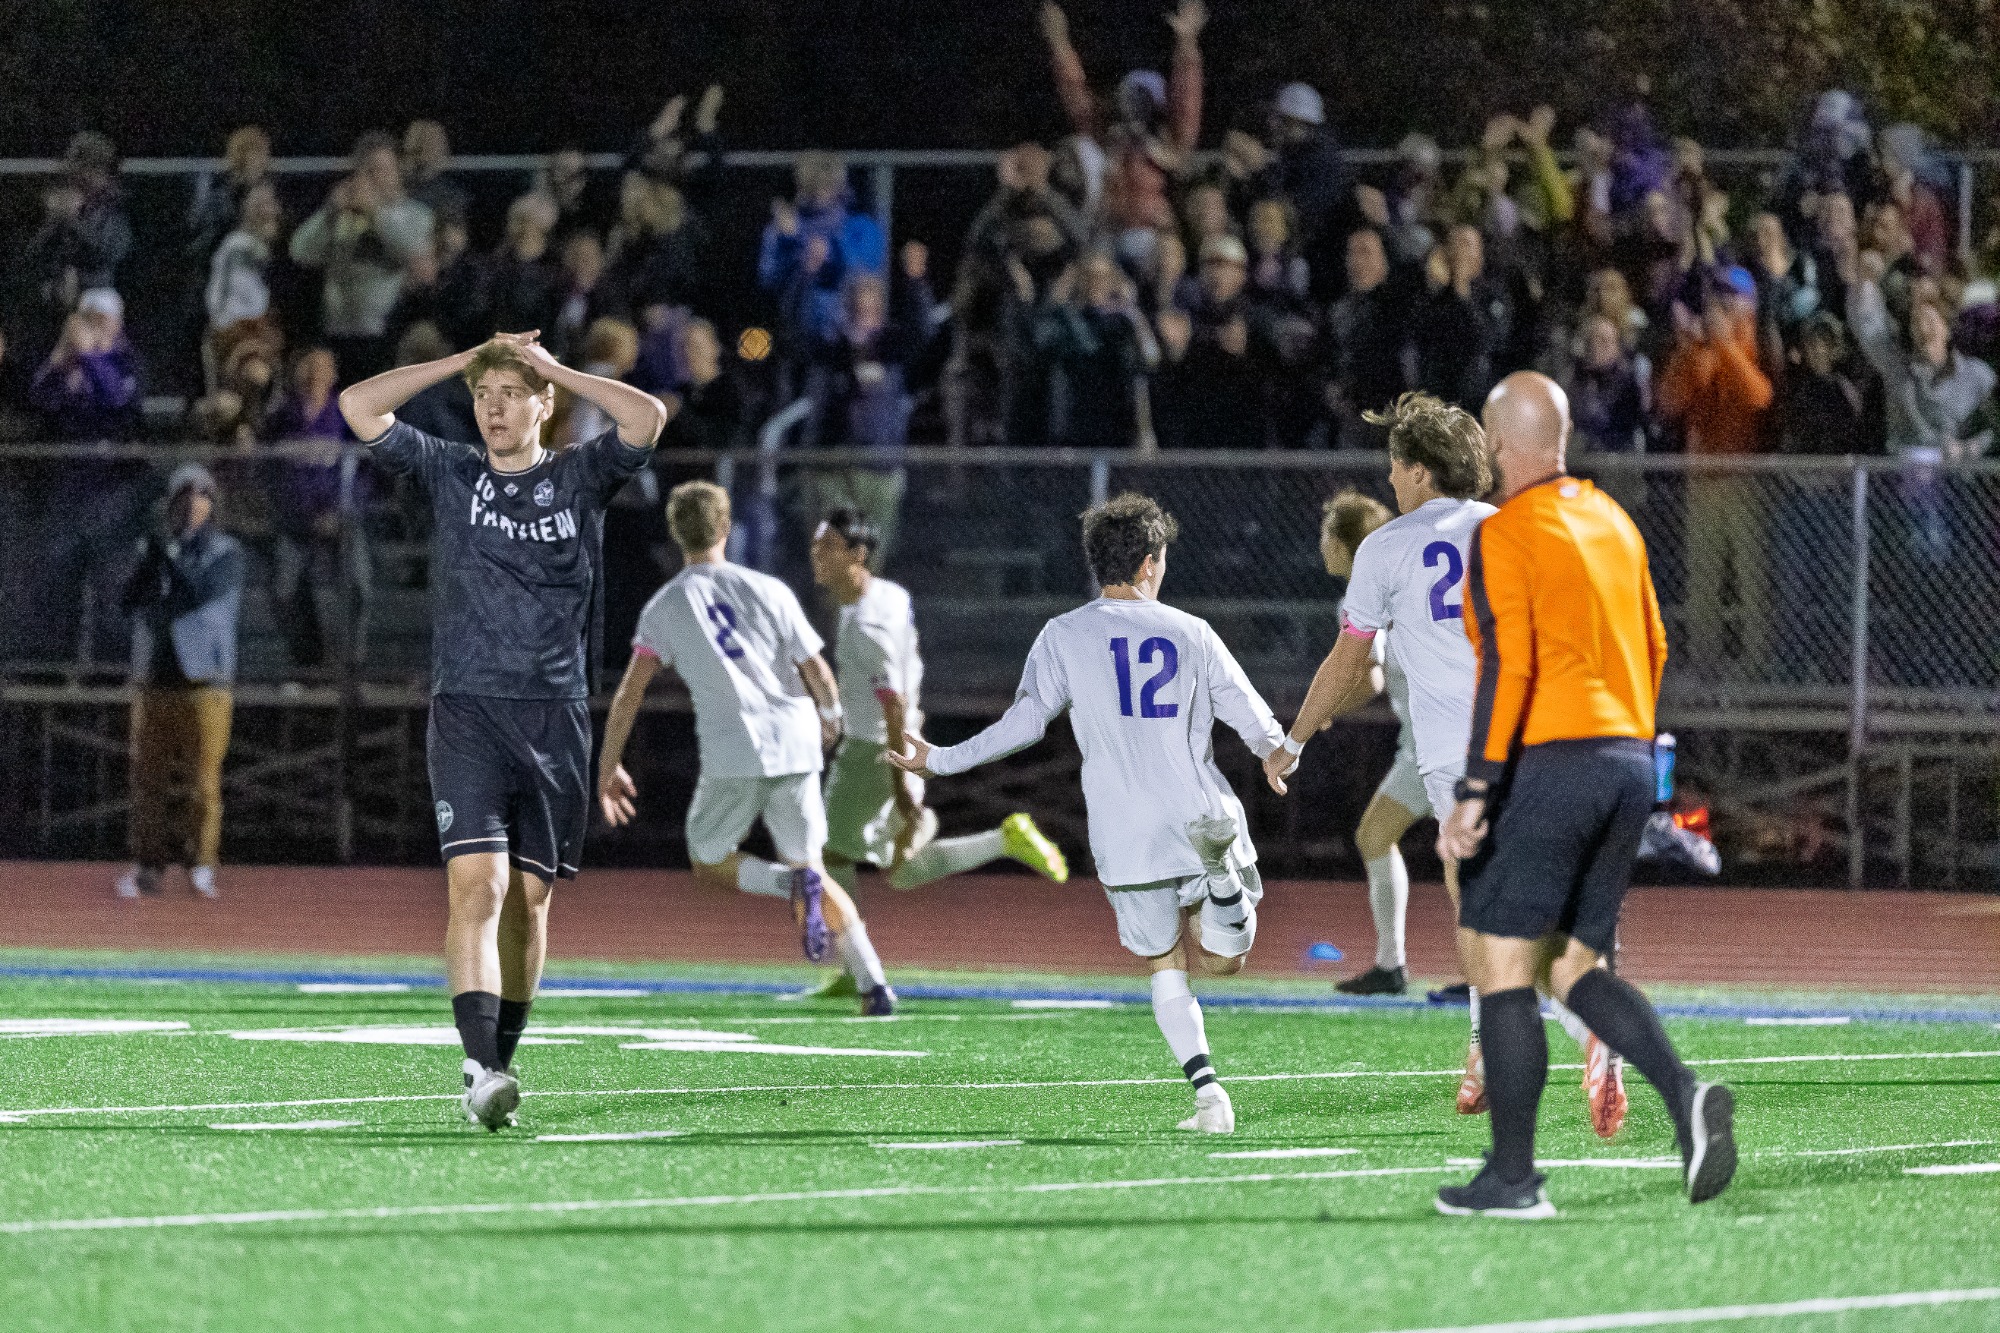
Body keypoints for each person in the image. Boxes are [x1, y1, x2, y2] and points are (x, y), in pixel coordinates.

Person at [336, 331, 672, 1131]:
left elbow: (648, 417)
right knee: (477, 886)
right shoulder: (452, 471)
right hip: (468, 710)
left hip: (555, 715)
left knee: (531, 899)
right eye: (485, 395)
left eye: (511, 394)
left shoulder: (578, 476)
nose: (494, 408)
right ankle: (478, 1066)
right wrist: (462, 361)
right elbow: (357, 406)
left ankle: (501, 1061)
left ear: (542, 405)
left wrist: (552, 369)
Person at [1434, 371, 1736, 1218]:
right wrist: (1626, 746)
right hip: (1627, 759)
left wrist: (1477, 786)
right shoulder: (1615, 520)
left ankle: (1514, 1179)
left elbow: (1510, 663)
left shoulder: (1507, 533)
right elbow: (1657, 640)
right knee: (1570, 964)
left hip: (1555, 758)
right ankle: (1686, 1099)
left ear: (1501, 444)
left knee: (1499, 960)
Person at [888, 494, 1283, 1134]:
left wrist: (944, 761)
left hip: (1124, 828)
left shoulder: (1065, 634)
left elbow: (1023, 723)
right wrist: (1275, 751)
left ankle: (1211, 1099)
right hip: (1197, 808)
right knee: (1225, 958)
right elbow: (1249, 710)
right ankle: (1224, 888)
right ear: (1151, 564)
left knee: (1164, 962)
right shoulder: (1190, 630)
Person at [598, 483, 898, 1016]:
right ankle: (874, 985)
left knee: (708, 857)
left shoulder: (664, 606)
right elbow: (815, 669)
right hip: (795, 738)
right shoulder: (768, 588)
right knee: (815, 867)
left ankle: (788, 885)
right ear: (726, 528)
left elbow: (630, 692)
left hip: (733, 745)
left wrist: (609, 764)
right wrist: (830, 718)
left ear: (675, 533)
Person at [809, 506, 1069, 921]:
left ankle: (853, 969)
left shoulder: (866, 626)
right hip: (900, 736)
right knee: (901, 870)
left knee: (828, 854)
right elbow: (903, 685)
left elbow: (890, 707)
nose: (815, 553)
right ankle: (1003, 840)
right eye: (816, 544)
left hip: (873, 749)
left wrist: (900, 785)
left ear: (857, 555)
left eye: (828, 547)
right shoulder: (889, 595)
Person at [1310, 491, 1424, 995]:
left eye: (1326, 535)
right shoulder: (1405, 579)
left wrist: (1321, 713)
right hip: (1445, 734)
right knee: (1379, 836)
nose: (1320, 545)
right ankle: (1392, 965)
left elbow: (1369, 676)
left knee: (1457, 854)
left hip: (1438, 741)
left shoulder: (1366, 588)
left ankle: (1492, 977)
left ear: (1344, 543)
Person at [116, 464, 246, 902]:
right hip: (155, 676)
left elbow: (197, 593)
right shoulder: (152, 549)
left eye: (202, 497)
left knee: (203, 783)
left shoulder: (226, 553)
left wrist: (165, 558)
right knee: (146, 780)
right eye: (184, 498)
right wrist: (151, 558)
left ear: (213, 505)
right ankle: (147, 864)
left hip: (205, 681)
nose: (193, 506)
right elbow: (127, 598)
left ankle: (202, 864)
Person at [290, 133, 435, 382]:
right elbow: (301, 253)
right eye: (367, 171)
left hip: (385, 333)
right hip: (337, 331)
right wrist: (330, 213)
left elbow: (411, 253)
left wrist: (375, 213)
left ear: (398, 172)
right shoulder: (340, 218)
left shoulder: (415, 214)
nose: (373, 179)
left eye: (381, 170)